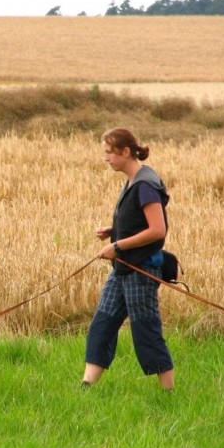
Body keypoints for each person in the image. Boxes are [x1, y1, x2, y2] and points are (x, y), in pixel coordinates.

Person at [82, 128, 175, 390]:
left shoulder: (145, 185)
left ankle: (169, 393)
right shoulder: (133, 180)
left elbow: (157, 230)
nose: (105, 158)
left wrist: (118, 245)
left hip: (141, 271)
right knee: (102, 325)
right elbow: (139, 223)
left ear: (125, 152)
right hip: (122, 269)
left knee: (146, 331)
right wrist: (115, 231)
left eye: (109, 153)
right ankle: (86, 388)